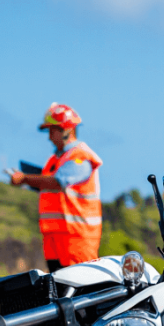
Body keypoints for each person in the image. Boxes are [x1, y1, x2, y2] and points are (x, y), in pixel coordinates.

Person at [9, 103, 103, 272]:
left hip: (76, 238)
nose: (49, 137)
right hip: (55, 239)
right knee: (58, 290)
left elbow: (58, 182)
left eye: (52, 131)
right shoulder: (56, 160)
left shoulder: (79, 157)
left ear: (67, 129)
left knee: (80, 289)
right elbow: (48, 188)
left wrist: (24, 179)